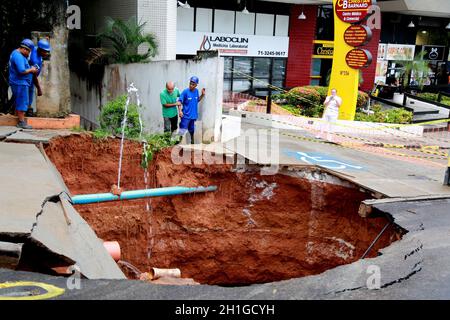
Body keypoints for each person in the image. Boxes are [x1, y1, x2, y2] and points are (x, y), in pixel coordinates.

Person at [9, 39, 39, 129]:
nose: (28, 54)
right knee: (22, 102)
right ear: (25, 49)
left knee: (21, 101)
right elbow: (21, 70)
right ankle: (21, 122)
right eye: (28, 52)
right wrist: (32, 69)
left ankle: (20, 120)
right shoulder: (18, 56)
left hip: (21, 82)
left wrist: (30, 67)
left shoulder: (19, 54)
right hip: (19, 83)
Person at [27, 39, 52, 116]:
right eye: (44, 51)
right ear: (40, 49)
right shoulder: (35, 60)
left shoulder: (35, 48)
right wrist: (39, 88)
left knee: (28, 95)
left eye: (47, 51)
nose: (46, 53)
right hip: (29, 79)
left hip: (30, 78)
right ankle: (26, 112)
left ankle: (27, 109)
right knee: (28, 95)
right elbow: (34, 76)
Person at [178, 76, 205, 144]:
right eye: (190, 83)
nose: (191, 85)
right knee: (182, 129)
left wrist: (202, 95)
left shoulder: (196, 91)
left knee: (192, 129)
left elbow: (197, 100)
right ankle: (178, 142)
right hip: (186, 116)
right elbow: (179, 102)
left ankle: (192, 141)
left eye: (193, 84)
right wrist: (180, 111)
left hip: (193, 116)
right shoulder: (185, 92)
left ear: (196, 85)